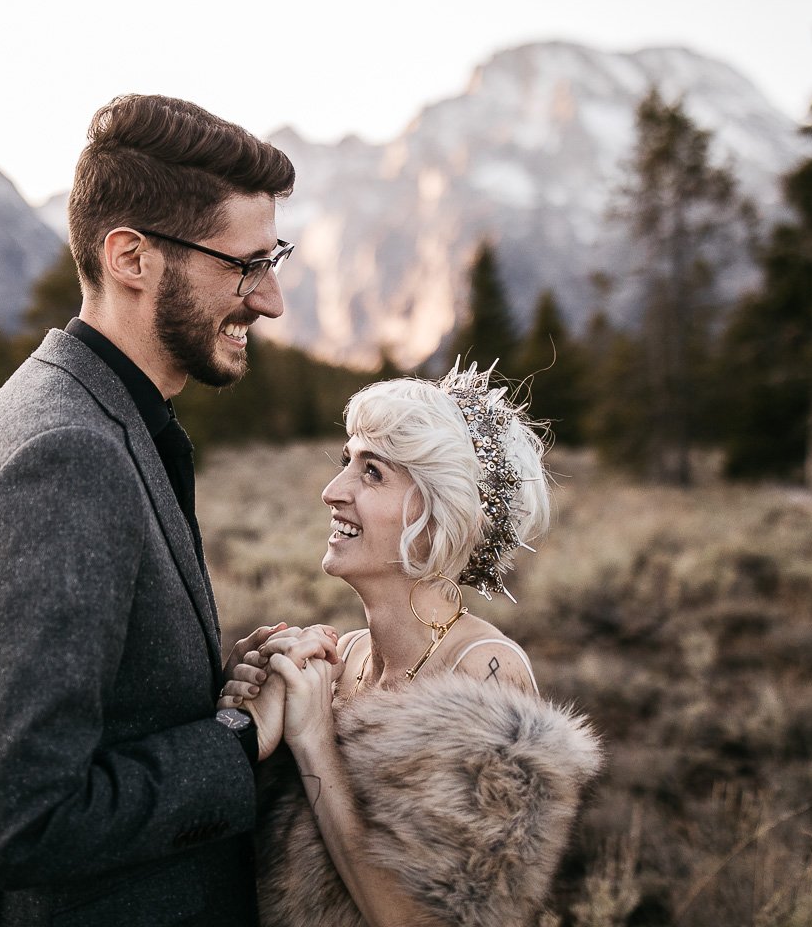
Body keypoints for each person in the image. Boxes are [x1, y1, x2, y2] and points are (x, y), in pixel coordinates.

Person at [0, 94, 336, 927]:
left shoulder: (92, 411)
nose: (270, 301)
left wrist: (222, 694)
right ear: (131, 258)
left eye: (275, 259)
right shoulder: (66, 456)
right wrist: (239, 740)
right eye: (245, 265)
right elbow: (28, 819)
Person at [219, 367, 603, 927]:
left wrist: (313, 740)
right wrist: (244, 725)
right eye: (346, 461)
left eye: (371, 472)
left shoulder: (484, 677)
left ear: (438, 516)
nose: (333, 490)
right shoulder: (340, 657)